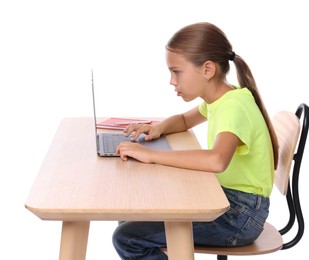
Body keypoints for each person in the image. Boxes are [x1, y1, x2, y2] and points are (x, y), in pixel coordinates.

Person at [113, 22, 279, 260]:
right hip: (228, 202)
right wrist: (156, 129)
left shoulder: (234, 106)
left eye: (176, 71)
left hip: (239, 216)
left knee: (126, 237)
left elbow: (217, 160)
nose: (172, 81)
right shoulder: (221, 98)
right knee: (131, 215)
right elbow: (183, 120)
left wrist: (151, 155)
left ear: (207, 69)